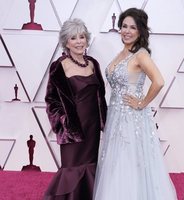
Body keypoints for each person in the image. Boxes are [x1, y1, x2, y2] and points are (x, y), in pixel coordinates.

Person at [93, 8, 177, 200]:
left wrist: (141, 103)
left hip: (132, 119)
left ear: (140, 31)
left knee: (129, 161)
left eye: (133, 27)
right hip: (115, 116)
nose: (127, 31)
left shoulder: (140, 55)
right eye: (124, 26)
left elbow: (159, 81)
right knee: (116, 162)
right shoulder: (121, 53)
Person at [43, 18, 107, 200]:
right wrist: (65, 123)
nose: (79, 41)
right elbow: (51, 101)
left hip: (92, 127)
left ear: (87, 39)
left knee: (90, 166)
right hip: (73, 130)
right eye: (73, 38)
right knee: (71, 168)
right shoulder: (59, 66)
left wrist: (105, 122)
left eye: (82, 37)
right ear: (66, 42)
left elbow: (100, 97)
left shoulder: (93, 63)